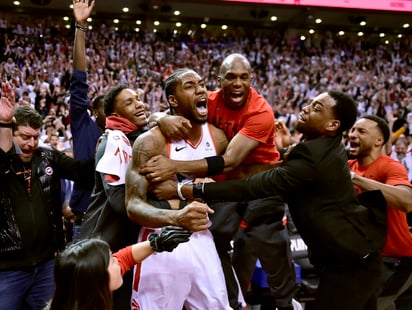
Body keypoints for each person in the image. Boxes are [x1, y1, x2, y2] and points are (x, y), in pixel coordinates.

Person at [178, 90, 388, 310]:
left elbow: (254, 187)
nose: (306, 108)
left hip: (350, 266)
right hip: (355, 259)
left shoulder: (312, 157)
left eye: (317, 108)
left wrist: (196, 190)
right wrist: (285, 151)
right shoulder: (321, 148)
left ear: (332, 125)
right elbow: (276, 170)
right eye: (310, 103)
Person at [142, 53, 297, 309]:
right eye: (231, 77)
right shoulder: (208, 101)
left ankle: (286, 303)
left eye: (244, 77)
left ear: (251, 80)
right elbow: (167, 112)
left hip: (261, 185)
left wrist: (175, 166)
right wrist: (162, 118)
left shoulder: (261, 111)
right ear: (219, 80)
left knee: (269, 245)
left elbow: (231, 160)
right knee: (218, 240)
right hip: (226, 185)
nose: (238, 83)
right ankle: (234, 303)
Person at [125, 68, 231, 309]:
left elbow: (238, 181)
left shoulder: (219, 138)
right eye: (190, 86)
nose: (201, 89)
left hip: (202, 237)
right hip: (160, 239)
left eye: (202, 84)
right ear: (173, 100)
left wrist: (189, 191)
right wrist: (177, 216)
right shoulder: (150, 142)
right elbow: (132, 205)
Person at [0, 81, 95, 310]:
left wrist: (101, 142)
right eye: (24, 137)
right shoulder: (4, 162)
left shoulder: (48, 157)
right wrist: (3, 122)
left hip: (46, 264)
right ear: (11, 134)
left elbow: (83, 172)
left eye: (35, 137)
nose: (31, 143)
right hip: (7, 268)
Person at [347, 114, 412, 310]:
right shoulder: (349, 166)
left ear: (379, 140)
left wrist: (355, 179)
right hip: (366, 259)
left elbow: (406, 201)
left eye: (361, 131)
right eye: (352, 130)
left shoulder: (390, 166)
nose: (352, 135)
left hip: (396, 261)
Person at [46, 226, 192, 310]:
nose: (117, 261)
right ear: (97, 279)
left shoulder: (79, 294)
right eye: (112, 261)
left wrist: (156, 244)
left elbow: (125, 258)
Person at [68, 0, 102, 242]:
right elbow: (79, 80)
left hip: (117, 223)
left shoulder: (132, 136)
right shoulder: (85, 126)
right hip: (85, 222)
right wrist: (80, 28)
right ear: (95, 111)